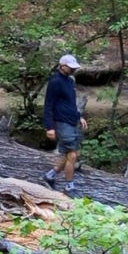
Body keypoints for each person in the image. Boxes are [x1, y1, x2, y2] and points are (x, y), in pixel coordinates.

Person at [43, 53, 87, 188]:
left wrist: (79, 116)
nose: (73, 69)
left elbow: (71, 103)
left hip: (72, 121)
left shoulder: (70, 81)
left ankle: (50, 175)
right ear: (62, 66)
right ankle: (69, 186)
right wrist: (49, 127)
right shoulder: (55, 81)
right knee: (72, 155)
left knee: (73, 153)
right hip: (61, 122)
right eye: (70, 67)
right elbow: (48, 104)